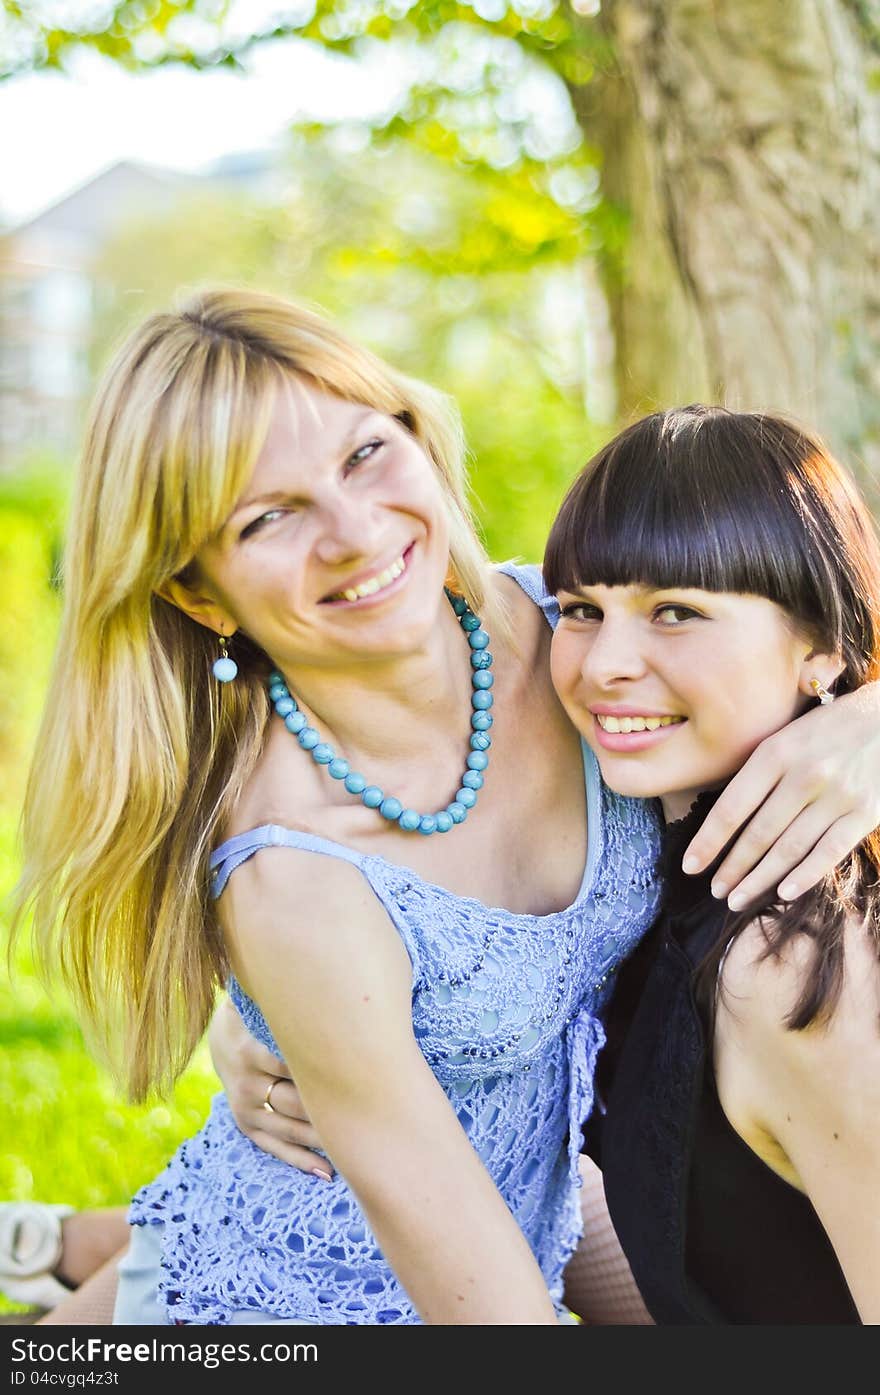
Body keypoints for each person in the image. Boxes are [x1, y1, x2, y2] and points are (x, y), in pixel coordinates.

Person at [7, 303, 880, 1322]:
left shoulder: (586, 645)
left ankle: (77, 1252)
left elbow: (796, 613)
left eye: (365, 454)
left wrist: (866, 712)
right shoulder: (297, 875)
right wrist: (298, 1017)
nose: (356, 532)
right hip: (314, 1305)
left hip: (559, 1210)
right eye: (266, 518)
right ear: (203, 600)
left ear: (419, 436)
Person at [543, 406, 880, 1323]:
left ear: (823, 649)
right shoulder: (655, 872)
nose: (606, 662)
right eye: (580, 608)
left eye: (677, 612)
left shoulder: (793, 965)